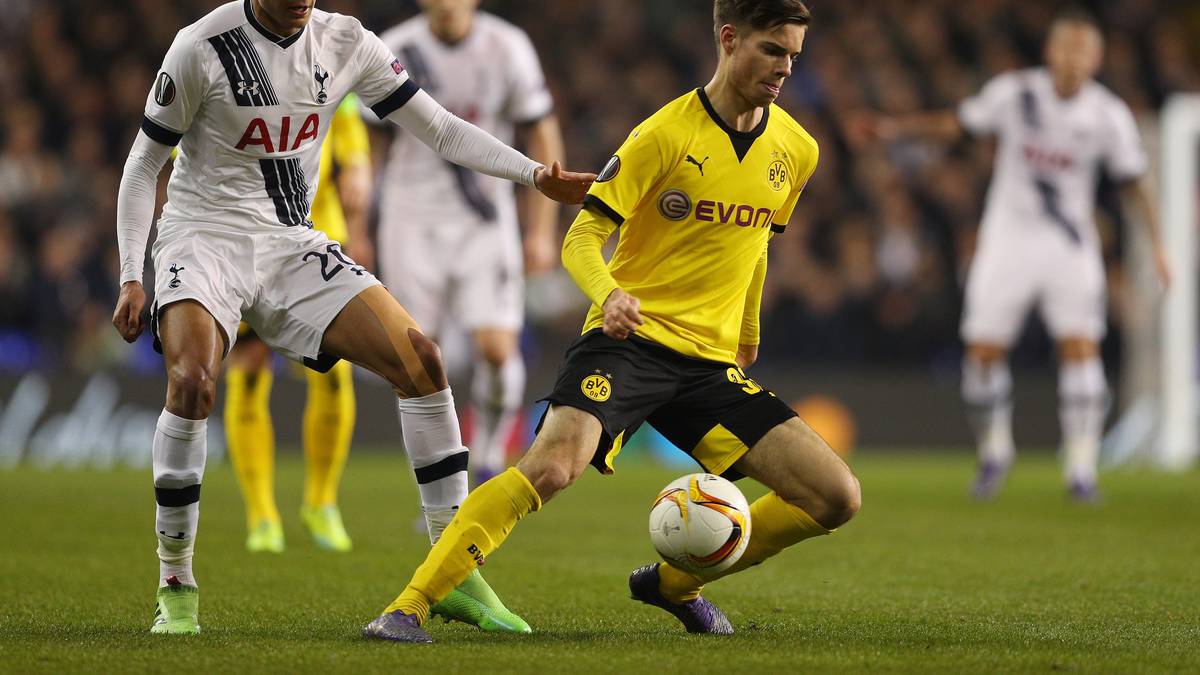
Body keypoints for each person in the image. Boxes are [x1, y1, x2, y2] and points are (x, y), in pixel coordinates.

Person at [362, 0, 862, 643]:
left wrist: (748, 332)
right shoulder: (663, 134)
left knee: (835, 496)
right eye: (772, 50)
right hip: (628, 345)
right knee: (552, 467)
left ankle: (673, 584)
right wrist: (611, 294)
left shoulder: (798, 149)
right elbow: (581, 237)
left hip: (709, 365)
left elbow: (758, 242)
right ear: (729, 39)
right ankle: (408, 606)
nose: (785, 67)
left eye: (793, 55)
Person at [111, 0, 592, 635]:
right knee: (193, 382)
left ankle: (453, 573)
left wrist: (534, 176)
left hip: (290, 243)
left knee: (422, 360)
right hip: (203, 238)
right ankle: (176, 584)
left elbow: (441, 129)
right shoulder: (201, 46)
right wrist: (132, 273)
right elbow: (143, 165)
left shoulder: (346, 42)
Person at [858, 9, 1169, 501]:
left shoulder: (1108, 115)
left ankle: (1081, 466)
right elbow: (957, 124)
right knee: (982, 352)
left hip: (1069, 245)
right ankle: (994, 451)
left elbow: (1134, 182)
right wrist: (896, 130)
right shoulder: (1016, 93)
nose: (1073, 59)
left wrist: (1158, 246)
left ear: (1096, 59)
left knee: (1080, 347)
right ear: (1050, 51)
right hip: (1008, 239)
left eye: (1084, 51)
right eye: (1066, 48)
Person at [375, 0, 566, 486]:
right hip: (411, 220)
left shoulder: (507, 47)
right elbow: (369, 138)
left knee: (498, 350)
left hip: (484, 221)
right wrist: (359, 224)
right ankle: (439, 485)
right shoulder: (396, 48)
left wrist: (540, 229)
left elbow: (542, 133)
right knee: (416, 357)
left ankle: (486, 459)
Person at [224, 93, 372, 554]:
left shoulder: (321, 65)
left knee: (333, 370)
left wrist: (359, 166)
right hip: (247, 239)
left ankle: (321, 502)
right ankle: (261, 514)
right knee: (250, 366)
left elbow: (348, 120)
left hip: (316, 236)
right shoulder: (221, 66)